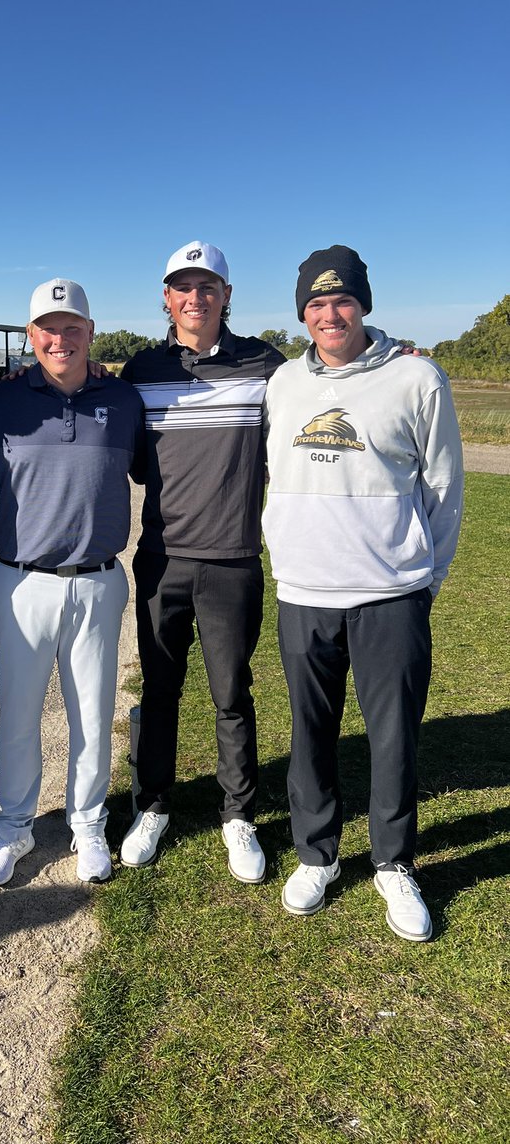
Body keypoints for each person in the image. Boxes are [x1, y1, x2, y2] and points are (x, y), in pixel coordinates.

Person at [263, 246, 463, 942]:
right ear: (302, 314)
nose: (329, 314)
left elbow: (443, 492)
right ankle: (317, 853)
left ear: (363, 305)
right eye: (315, 304)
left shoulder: (416, 377)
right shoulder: (283, 382)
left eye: (341, 300)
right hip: (305, 591)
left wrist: (421, 582)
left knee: (394, 738)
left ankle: (393, 863)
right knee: (310, 734)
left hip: (390, 596)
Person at [118, 242, 286, 880]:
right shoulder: (141, 370)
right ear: (167, 298)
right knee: (160, 690)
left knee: (231, 693)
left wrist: (384, 346)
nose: (195, 298)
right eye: (182, 287)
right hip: (162, 559)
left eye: (207, 286)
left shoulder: (266, 365)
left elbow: (328, 381)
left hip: (235, 559)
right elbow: (136, 458)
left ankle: (237, 815)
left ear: (226, 294)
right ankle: (153, 804)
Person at [0, 279, 145, 885]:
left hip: (98, 580)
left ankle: (88, 825)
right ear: (31, 337)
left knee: (93, 716)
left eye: (73, 328)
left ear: (91, 334)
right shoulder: (0, 403)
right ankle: (13, 829)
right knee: (16, 713)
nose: (61, 338)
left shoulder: (124, 399)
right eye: (49, 328)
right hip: (22, 582)